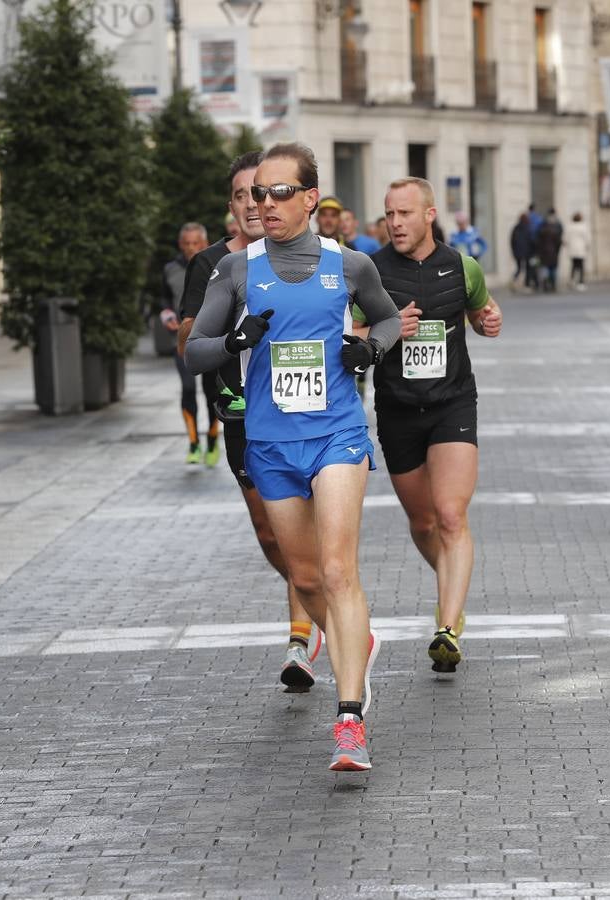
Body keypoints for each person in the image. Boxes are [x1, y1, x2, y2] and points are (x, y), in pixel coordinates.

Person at [186, 142, 402, 772]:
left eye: (281, 192)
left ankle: (350, 721)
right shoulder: (237, 272)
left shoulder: (351, 264)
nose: (267, 203)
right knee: (303, 577)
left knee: (337, 571)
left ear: (311, 198)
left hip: (337, 434)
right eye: (259, 194)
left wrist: (370, 351)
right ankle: (356, 643)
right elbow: (195, 350)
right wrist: (233, 339)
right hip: (271, 443)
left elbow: (387, 322)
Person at [177, 151, 323, 692]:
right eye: (243, 195)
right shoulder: (215, 266)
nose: (256, 204)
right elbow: (189, 343)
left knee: (300, 528)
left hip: (301, 412)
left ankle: (300, 639)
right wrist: (225, 334)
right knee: (272, 534)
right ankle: (313, 595)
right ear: (231, 207)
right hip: (239, 414)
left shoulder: (306, 257)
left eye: (265, 192)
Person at [354, 177, 502, 674]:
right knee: (422, 523)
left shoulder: (463, 266)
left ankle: (448, 624)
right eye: (389, 214)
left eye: (404, 214)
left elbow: (480, 313)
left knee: (451, 515)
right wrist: (388, 328)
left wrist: (489, 320)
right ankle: (452, 589)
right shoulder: (369, 271)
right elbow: (348, 334)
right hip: (397, 409)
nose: (394, 222)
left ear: (429, 215)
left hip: (452, 404)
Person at [163, 223, 219, 465]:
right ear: (180, 244)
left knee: (211, 391)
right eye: (186, 243)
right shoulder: (170, 269)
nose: (191, 248)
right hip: (182, 339)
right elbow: (164, 298)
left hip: (208, 338)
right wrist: (166, 314)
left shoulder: (217, 266)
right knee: (187, 388)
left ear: (205, 243)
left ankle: (213, 440)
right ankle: (194, 442)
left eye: (195, 243)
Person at [537, 208, 563, 292]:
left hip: (544, 253)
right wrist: (557, 250)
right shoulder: (556, 229)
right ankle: (553, 284)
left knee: (545, 268)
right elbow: (558, 242)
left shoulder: (542, 230)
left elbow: (538, 242)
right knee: (553, 269)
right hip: (553, 252)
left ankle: (545, 283)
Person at [564, 211, 589, 291]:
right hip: (581, 248)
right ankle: (580, 282)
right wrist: (587, 246)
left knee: (573, 265)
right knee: (581, 266)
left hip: (572, 249)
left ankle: (572, 280)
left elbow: (566, 239)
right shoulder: (583, 227)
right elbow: (587, 238)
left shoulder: (569, 227)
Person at [510, 213, 535, 292]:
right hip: (527, 252)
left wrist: (513, 251)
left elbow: (512, 241)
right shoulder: (528, 228)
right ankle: (526, 285)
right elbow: (531, 241)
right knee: (528, 268)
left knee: (519, 268)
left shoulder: (516, 228)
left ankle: (514, 280)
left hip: (518, 252)